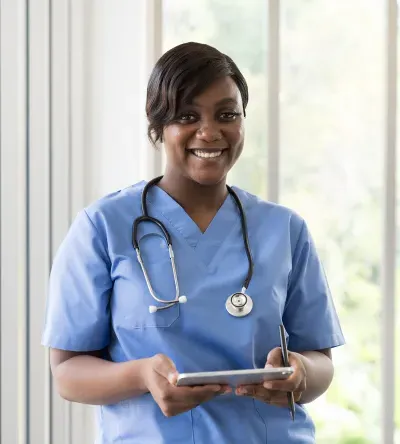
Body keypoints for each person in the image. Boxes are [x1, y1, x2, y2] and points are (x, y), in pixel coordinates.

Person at [42, 42, 345, 443]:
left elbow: (321, 362)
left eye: (227, 115)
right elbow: (67, 373)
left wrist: (301, 374)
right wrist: (140, 375)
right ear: (158, 125)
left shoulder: (284, 229)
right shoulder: (103, 226)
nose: (209, 132)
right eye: (187, 116)